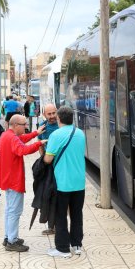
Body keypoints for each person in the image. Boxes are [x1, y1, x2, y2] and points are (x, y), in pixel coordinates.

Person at [0, 115, 46, 252]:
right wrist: (39, 143)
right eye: (24, 124)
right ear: (15, 125)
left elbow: (22, 140)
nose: (26, 126)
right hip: (13, 179)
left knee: (9, 210)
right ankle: (12, 241)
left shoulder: (6, 135)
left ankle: (8, 237)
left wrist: (36, 133)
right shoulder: (12, 137)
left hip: (7, 178)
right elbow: (23, 150)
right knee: (15, 211)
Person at [44, 106, 86, 258]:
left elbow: (48, 159)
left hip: (63, 182)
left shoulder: (56, 135)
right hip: (79, 181)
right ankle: (77, 244)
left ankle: (62, 249)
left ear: (59, 118)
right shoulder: (80, 133)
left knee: (60, 215)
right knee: (76, 213)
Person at [37, 103, 59, 235]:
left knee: (60, 198)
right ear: (44, 115)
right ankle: (52, 226)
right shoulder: (42, 128)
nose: (52, 116)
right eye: (49, 114)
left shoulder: (62, 126)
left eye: (53, 113)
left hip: (61, 168)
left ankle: (59, 226)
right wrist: (44, 161)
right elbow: (40, 144)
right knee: (48, 197)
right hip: (49, 167)